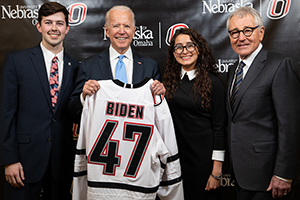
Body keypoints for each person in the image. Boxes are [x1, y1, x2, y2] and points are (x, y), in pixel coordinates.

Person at [0, 2, 79, 200]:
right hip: (23, 164)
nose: (54, 28)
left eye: (60, 23)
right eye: (48, 22)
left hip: (61, 165)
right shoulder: (17, 61)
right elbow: (5, 114)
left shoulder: (77, 66)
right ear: (39, 26)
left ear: (67, 28)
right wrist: (9, 160)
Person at [226, 6, 300, 200]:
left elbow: (290, 125)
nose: (241, 37)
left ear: (261, 32)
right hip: (240, 174)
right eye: (234, 32)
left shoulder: (280, 65)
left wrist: (283, 173)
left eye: (247, 30)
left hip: (268, 178)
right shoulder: (234, 70)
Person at [68, 5, 165, 123]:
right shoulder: (88, 66)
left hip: (138, 138)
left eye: (127, 26)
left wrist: (160, 97)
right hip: (102, 139)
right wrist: (83, 97)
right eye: (116, 26)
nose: (122, 31)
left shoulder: (150, 67)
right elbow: (72, 112)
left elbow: (158, 114)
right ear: (107, 31)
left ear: (134, 31)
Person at [163, 28, 226, 199]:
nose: (185, 51)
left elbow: (220, 128)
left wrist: (216, 172)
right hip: (174, 162)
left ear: (199, 48)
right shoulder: (168, 81)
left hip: (202, 164)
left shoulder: (214, 83)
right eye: (179, 47)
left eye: (190, 45)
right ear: (173, 52)